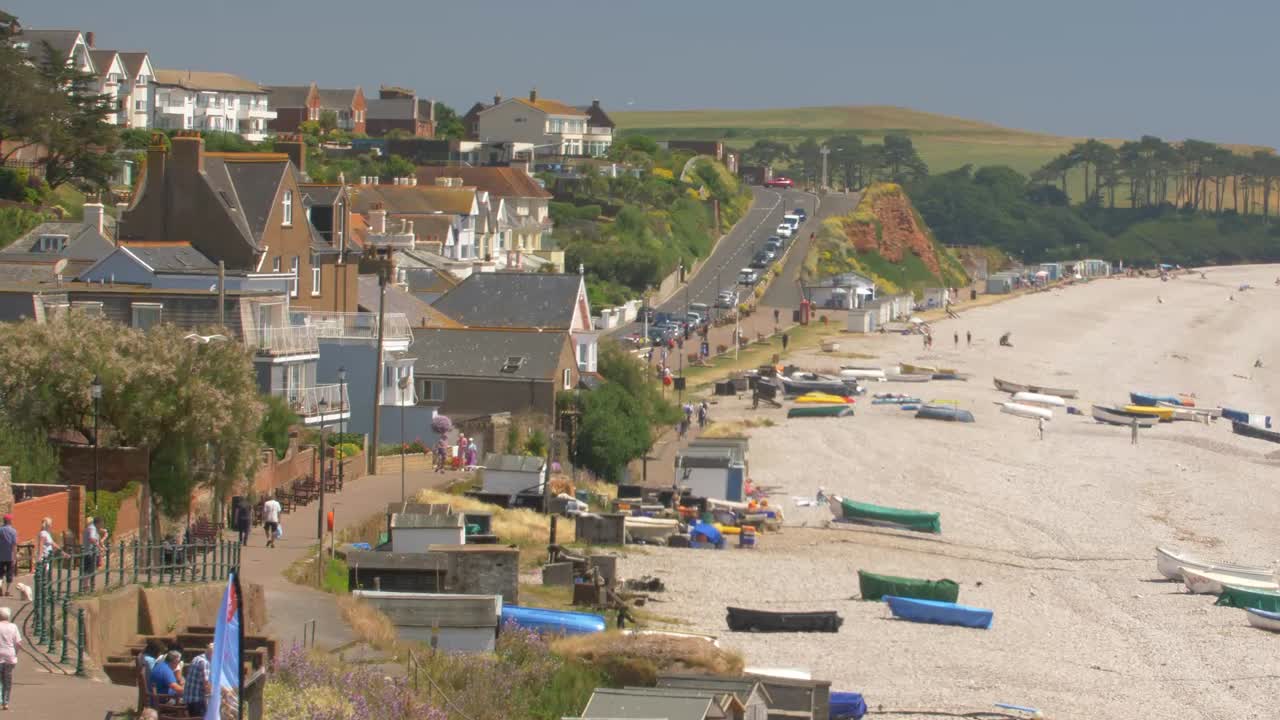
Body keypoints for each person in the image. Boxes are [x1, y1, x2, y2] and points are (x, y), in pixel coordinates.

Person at [183, 642, 212, 717]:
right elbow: (207, 685)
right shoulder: (205, 662)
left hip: (189, 699)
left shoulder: (197, 658)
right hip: (197, 701)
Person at [0, 607, 20, 711]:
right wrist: (15, 653)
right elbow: (18, 643)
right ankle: (5, 702)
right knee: (7, 680)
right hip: (9, 655)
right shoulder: (13, 627)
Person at [81, 515, 100, 591]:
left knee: (87, 570)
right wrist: (99, 546)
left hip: (86, 551)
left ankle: (86, 586)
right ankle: (88, 586)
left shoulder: (87, 529)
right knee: (90, 569)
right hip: (91, 552)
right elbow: (92, 538)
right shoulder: (92, 529)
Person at [0, 515, 16, 597]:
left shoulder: (0, 530)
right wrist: (14, 557)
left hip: (1, 555)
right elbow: (14, 545)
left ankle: (0, 587)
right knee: (9, 573)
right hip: (10, 555)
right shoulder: (13, 531)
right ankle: (7, 591)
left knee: (0, 573)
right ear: (10, 521)